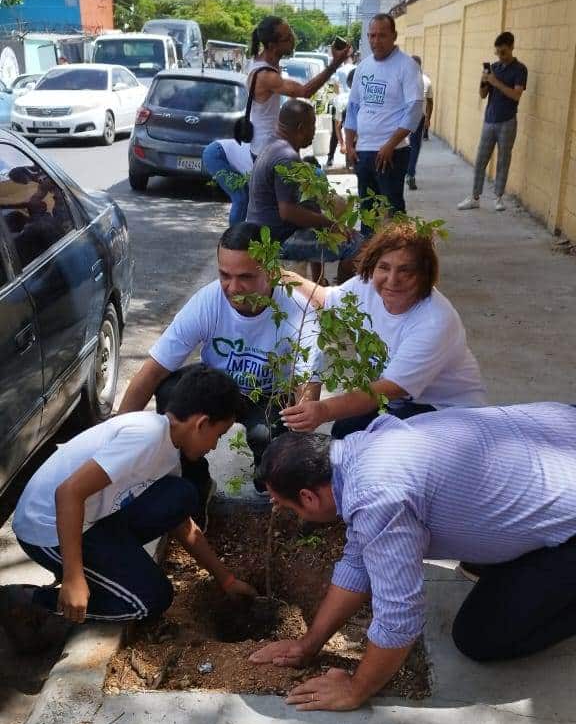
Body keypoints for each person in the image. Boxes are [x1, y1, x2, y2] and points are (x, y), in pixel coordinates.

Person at [251, 404, 576, 711]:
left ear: (308, 496)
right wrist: (310, 644)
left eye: (290, 507)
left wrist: (356, 689)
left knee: (479, 637)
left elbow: (399, 616)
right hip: (562, 429)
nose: (294, 515)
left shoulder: (376, 496)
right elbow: (358, 561)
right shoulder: (360, 449)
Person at [1, 367, 255, 652]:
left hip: (92, 517)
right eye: (218, 435)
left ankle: (105, 570)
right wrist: (74, 576)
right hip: (46, 527)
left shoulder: (168, 448)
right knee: (150, 600)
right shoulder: (145, 437)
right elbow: (68, 493)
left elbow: (183, 524)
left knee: (182, 495)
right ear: (201, 423)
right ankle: (31, 603)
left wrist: (226, 579)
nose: (214, 445)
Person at [117, 222, 321, 493]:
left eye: (245, 277)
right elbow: (152, 371)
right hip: (217, 386)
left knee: (268, 441)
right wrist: (117, 440)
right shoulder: (208, 302)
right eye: (224, 275)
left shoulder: (298, 311)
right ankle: (195, 484)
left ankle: (271, 488)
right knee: (169, 392)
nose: (232, 287)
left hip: (270, 394)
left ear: (272, 272)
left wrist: (296, 469)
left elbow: (307, 396)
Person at [281, 224, 486, 437]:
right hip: (398, 404)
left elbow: (386, 390)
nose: (392, 280)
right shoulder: (365, 287)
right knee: (345, 430)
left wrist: (323, 410)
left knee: (381, 441)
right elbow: (324, 299)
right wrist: (280, 275)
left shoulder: (434, 321)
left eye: (405, 270)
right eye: (384, 267)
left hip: (445, 412)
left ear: (425, 274)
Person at [246, 98, 362, 281]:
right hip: (278, 239)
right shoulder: (286, 157)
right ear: (300, 128)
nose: (315, 131)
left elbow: (306, 206)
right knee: (357, 246)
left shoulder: (273, 144)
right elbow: (288, 212)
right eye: (313, 126)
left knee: (341, 231)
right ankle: (339, 297)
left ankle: (322, 287)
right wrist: (331, 225)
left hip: (270, 231)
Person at [345, 14, 424, 220]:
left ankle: (399, 250)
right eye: (371, 36)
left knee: (393, 209)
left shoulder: (407, 66)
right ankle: (369, 250)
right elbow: (353, 106)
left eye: (381, 35)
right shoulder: (363, 67)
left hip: (392, 153)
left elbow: (415, 108)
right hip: (363, 151)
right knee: (367, 211)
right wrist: (349, 144)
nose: (375, 41)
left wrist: (391, 144)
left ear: (394, 36)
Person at [247, 16, 351, 157]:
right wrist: (334, 64)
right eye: (287, 38)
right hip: (266, 150)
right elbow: (305, 91)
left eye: (292, 32)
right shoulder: (266, 75)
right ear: (272, 46)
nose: (293, 39)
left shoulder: (266, 61)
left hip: (268, 146)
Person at [458, 31, 528, 213]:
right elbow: (482, 95)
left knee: (504, 159)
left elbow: (516, 95)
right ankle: (474, 197)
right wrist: (483, 82)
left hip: (508, 121)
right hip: (489, 120)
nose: (500, 56)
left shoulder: (520, 69)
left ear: (512, 47)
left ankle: (498, 198)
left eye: (503, 52)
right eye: (497, 52)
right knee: (481, 159)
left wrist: (496, 82)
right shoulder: (494, 68)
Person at [202, 139, 252, 226]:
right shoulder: (260, 163)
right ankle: (234, 237)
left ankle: (238, 233)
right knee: (241, 198)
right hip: (216, 155)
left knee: (244, 197)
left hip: (219, 151)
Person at [407, 56, 434, 190]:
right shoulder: (426, 80)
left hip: (406, 116)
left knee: (405, 145)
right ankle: (410, 174)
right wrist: (428, 118)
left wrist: (428, 119)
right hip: (418, 117)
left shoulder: (403, 79)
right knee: (415, 145)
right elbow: (430, 102)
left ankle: (407, 173)